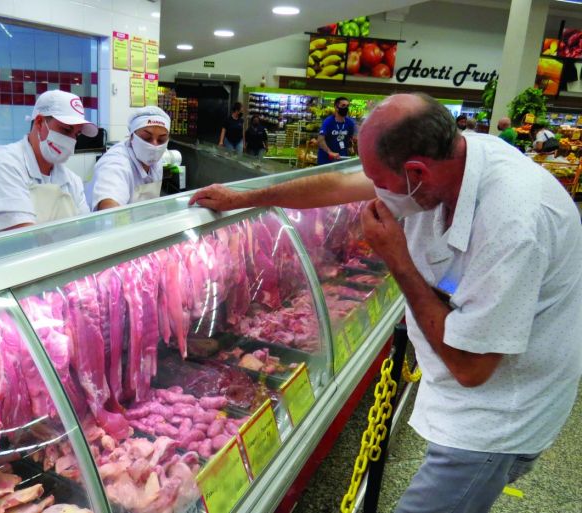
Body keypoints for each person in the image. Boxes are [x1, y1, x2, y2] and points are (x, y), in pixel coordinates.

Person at [190, 93, 582, 513]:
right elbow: (340, 184)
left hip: (496, 416)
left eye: (383, 181)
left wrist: (396, 256)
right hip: (461, 388)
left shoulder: (513, 223)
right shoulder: (454, 157)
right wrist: (248, 198)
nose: (377, 192)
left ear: (416, 171)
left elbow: (471, 368)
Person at [0, 90, 95, 241]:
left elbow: (84, 234)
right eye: (65, 130)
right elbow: (23, 241)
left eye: (76, 135)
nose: (71, 140)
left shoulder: (72, 181)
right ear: (39, 123)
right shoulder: (2, 164)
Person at [89, 106, 171, 210]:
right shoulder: (115, 163)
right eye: (146, 138)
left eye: (161, 140)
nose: (154, 146)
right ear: (131, 136)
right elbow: (109, 209)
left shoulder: (156, 162)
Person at [317, 96, 356, 165]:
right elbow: (320, 140)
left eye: (347, 106)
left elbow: (352, 138)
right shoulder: (328, 122)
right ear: (336, 107)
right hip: (326, 160)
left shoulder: (350, 122)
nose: (346, 108)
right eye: (343, 105)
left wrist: (351, 146)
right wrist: (330, 152)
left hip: (342, 159)